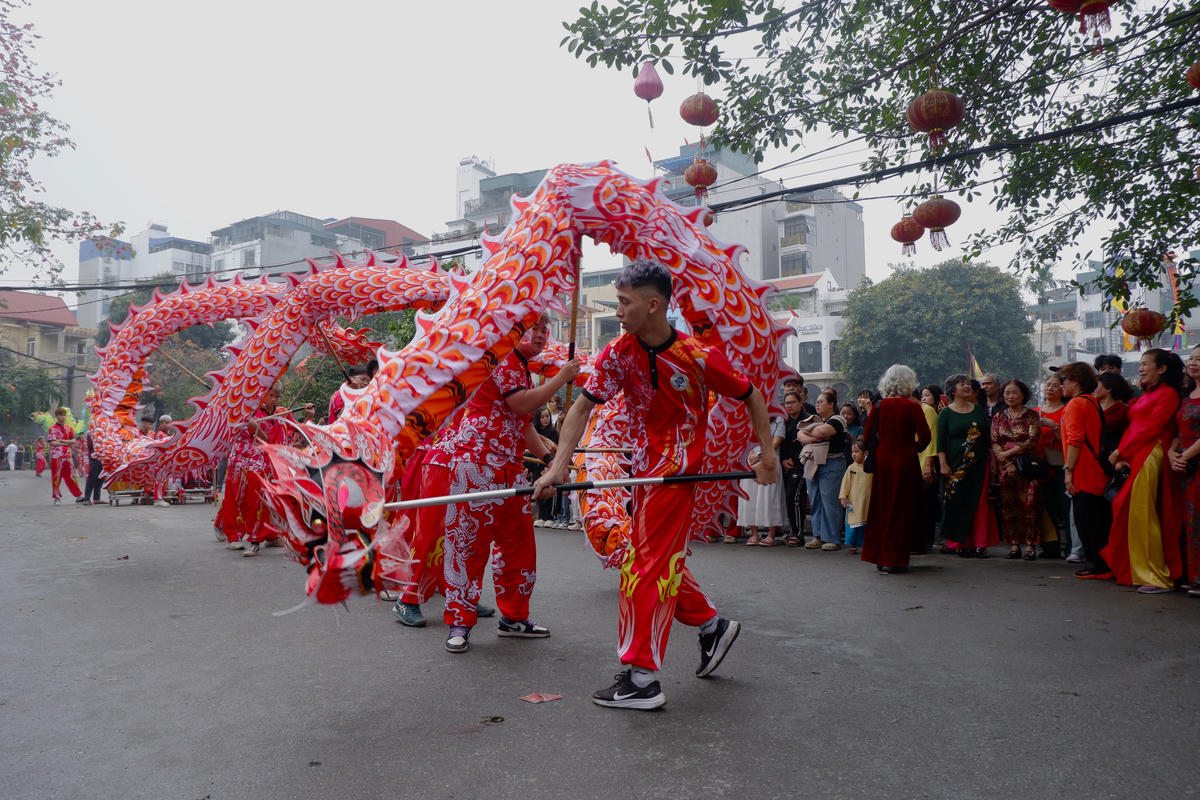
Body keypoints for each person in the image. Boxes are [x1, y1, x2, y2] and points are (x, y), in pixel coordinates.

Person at [533, 259, 777, 711]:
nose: (618, 310)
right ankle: (711, 627)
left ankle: (643, 677)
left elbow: (751, 396)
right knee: (652, 561)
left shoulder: (697, 356)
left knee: (641, 567)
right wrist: (557, 468)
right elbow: (582, 410)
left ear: (653, 304)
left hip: (679, 471)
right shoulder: (617, 353)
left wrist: (767, 454)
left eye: (624, 303)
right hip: (645, 470)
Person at [403, 314, 580, 651]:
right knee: (468, 547)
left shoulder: (521, 366)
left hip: (510, 471)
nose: (542, 335)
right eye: (535, 328)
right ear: (515, 329)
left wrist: (548, 461)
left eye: (546, 329)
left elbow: (522, 422)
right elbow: (521, 402)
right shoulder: (500, 355)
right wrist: (562, 377)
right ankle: (459, 623)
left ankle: (513, 617)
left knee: (519, 549)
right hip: (476, 470)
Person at [1101, 348, 1184, 593]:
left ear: (1162, 369)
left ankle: (1157, 575)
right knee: (1127, 510)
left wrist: (1120, 452)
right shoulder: (1148, 395)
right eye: (1140, 363)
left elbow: (1152, 428)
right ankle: (1135, 568)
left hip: (1152, 454)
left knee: (1144, 514)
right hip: (1136, 454)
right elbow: (1134, 427)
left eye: (1146, 363)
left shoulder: (1168, 395)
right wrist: (1121, 454)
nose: (1141, 367)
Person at [859, 365, 929, 572]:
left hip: (883, 459)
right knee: (901, 509)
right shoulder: (912, 407)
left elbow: (867, 435)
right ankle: (895, 559)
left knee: (880, 508)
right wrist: (912, 448)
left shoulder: (879, 406)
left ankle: (880, 557)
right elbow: (925, 438)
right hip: (905, 460)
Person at [214, 385, 288, 554]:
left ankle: (267, 534)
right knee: (236, 498)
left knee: (259, 500)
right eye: (271, 396)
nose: (274, 400)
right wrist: (250, 423)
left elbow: (269, 438)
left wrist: (308, 416)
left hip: (262, 461)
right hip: (240, 460)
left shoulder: (278, 413)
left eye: (277, 396)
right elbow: (237, 433)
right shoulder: (245, 411)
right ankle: (233, 535)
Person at [1056, 362, 1113, 580]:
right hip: (1095, 469)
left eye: (1064, 380)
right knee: (1096, 520)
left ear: (1075, 381)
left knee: (1086, 521)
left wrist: (1068, 471)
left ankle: (1096, 565)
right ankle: (1099, 564)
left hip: (1084, 470)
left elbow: (1075, 440)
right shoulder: (1091, 401)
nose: (1061, 385)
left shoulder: (1075, 404)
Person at [938, 374, 998, 557]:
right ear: (952, 390)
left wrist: (993, 460)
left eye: (967, 384)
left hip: (979, 465)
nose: (967, 386)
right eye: (961, 384)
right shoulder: (945, 413)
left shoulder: (979, 410)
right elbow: (940, 442)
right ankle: (959, 543)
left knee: (979, 503)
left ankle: (980, 544)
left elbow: (987, 439)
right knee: (956, 503)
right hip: (955, 465)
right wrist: (943, 464)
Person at [990, 380, 1042, 560]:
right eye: (1007, 393)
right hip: (1006, 468)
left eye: (1014, 393)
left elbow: (1031, 441)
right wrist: (1005, 461)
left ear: (1023, 394)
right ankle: (1013, 544)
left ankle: (1030, 545)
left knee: (1030, 504)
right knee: (1009, 506)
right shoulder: (998, 416)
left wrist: (1010, 453)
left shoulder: (1031, 416)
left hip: (1028, 467)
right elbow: (995, 442)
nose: (1010, 396)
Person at [1168, 345, 1200, 597]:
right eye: (1192, 358)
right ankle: (1191, 575)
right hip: (1184, 466)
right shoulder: (1187, 395)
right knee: (1188, 521)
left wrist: (1185, 456)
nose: (1194, 363)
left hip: (1194, 464)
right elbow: (1178, 433)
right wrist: (1172, 452)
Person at [800, 389, 850, 551]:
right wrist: (814, 437)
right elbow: (799, 434)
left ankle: (832, 538)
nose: (817, 404)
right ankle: (818, 536)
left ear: (832, 404)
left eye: (821, 401)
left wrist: (808, 432)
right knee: (815, 500)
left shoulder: (838, 419)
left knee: (830, 501)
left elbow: (822, 431)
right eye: (817, 401)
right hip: (813, 462)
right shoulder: (814, 419)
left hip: (833, 462)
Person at [737, 416, 786, 546]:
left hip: (769, 460)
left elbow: (776, 441)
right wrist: (751, 455)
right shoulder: (750, 417)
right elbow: (746, 438)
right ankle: (754, 534)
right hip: (750, 460)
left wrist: (759, 455)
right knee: (750, 497)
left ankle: (771, 534)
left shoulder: (778, 420)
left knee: (770, 497)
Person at [1037, 374, 1070, 559]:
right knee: (1046, 507)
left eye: (1055, 386)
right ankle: (1050, 547)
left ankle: (1071, 547)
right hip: (1042, 466)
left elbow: (1068, 440)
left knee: (1065, 507)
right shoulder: (1036, 412)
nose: (1050, 388)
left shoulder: (1067, 410)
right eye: (1048, 384)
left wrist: (1054, 427)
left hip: (1062, 464)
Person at [779, 390, 811, 546]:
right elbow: (781, 444)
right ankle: (793, 530)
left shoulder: (808, 420)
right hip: (786, 466)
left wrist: (795, 460)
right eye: (787, 403)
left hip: (802, 466)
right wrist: (783, 460)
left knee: (795, 498)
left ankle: (798, 533)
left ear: (800, 403)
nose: (789, 405)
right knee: (788, 498)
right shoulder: (784, 421)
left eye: (792, 402)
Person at [916, 384, 942, 553]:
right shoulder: (917, 409)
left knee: (926, 505)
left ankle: (925, 541)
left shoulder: (928, 411)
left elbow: (932, 440)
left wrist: (928, 465)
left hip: (926, 462)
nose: (924, 398)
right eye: (922, 394)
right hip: (915, 461)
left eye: (927, 395)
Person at [839, 438, 872, 556]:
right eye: (852, 451)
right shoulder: (851, 468)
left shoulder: (871, 469)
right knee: (852, 523)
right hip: (852, 501)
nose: (854, 454)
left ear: (866, 453)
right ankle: (852, 544)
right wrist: (843, 497)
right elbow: (845, 484)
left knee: (864, 524)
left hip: (867, 501)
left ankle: (864, 545)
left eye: (857, 451)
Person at [530, 406, 559, 527]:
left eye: (547, 416)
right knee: (538, 489)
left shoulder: (553, 432)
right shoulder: (534, 431)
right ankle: (541, 515)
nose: (545, 419)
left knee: (549, 489)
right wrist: (528, 467)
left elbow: (557, 449)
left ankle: (548, 516)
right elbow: (530, 449)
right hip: (536, 464)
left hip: (549, 464)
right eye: (542, 417)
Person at [47, 408, 82, 504]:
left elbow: (74, 441)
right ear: (56, 416)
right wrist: (67, 443)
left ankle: (78, 495)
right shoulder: (52, 428)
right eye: (60, 415)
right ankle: (57, 497)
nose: (62, 417)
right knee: (56, 476)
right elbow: (53, 442)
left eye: (64, 415)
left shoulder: (69, 428)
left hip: (68, 455)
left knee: (72, 476)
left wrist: (62, 441)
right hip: (56, 456)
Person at [82, 431, 104, 505]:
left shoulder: (103, 430)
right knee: (91, 478)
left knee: (100, 478)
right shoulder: (90, 432)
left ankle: (96, 498)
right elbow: (90, 445)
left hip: (103, 457)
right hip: (94, 458)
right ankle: (87, 499)